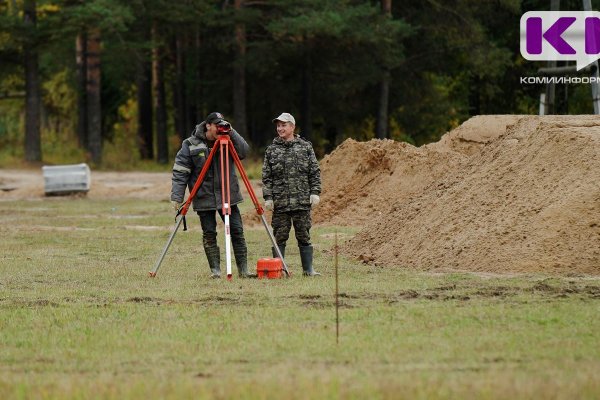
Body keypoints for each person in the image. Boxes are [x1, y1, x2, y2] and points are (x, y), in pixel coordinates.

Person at [171, 112, 253, 278]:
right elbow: (180, 172)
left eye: (222, 125)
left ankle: (244, 271)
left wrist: (230, 131)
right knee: (209, 233)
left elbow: (244, 152)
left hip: (228, 195)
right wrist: (177, 197)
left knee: (237, 230)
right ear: (208, 125)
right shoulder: (190, 144)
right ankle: (215, 271)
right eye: (217, 125)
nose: (220, 129)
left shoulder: (228, 140)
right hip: (204, 195)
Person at [262, 112, 322, 276]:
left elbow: (314, 172)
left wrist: (315, 192)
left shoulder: (305, 147)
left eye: (283, 125)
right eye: (278, 125)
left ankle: (308, 270)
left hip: (302, 201)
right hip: (280, 203)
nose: (280, 128)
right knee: (279, 237)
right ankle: (278, 270)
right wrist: (268, 197)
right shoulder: (272, 150)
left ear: (292, 127)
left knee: (304, 236)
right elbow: (267, 177)